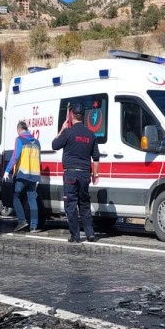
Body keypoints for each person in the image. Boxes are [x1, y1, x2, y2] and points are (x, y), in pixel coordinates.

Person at [51, 102, 100, 243]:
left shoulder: (68, 132)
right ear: (83, 116)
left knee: (71, 205)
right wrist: (95, 174)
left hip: (71, 174)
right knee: (84, 204)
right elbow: (96, 157)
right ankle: (90, 234)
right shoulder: (91, 135)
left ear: (71, 115)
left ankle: (75, 235)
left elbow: (54, 145)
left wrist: (61, 130)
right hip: (85, 174)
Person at [3, 121, 41, 233]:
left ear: (19, 130)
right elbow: (39, 159)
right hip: (34, 176)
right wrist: (38, 176)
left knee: (15, 196)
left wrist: (7, 171)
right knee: (32, 200)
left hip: (22, 175)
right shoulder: (37, 142)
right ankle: (34, 226)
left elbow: (15, 156)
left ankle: (22, 220)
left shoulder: (19, 139)